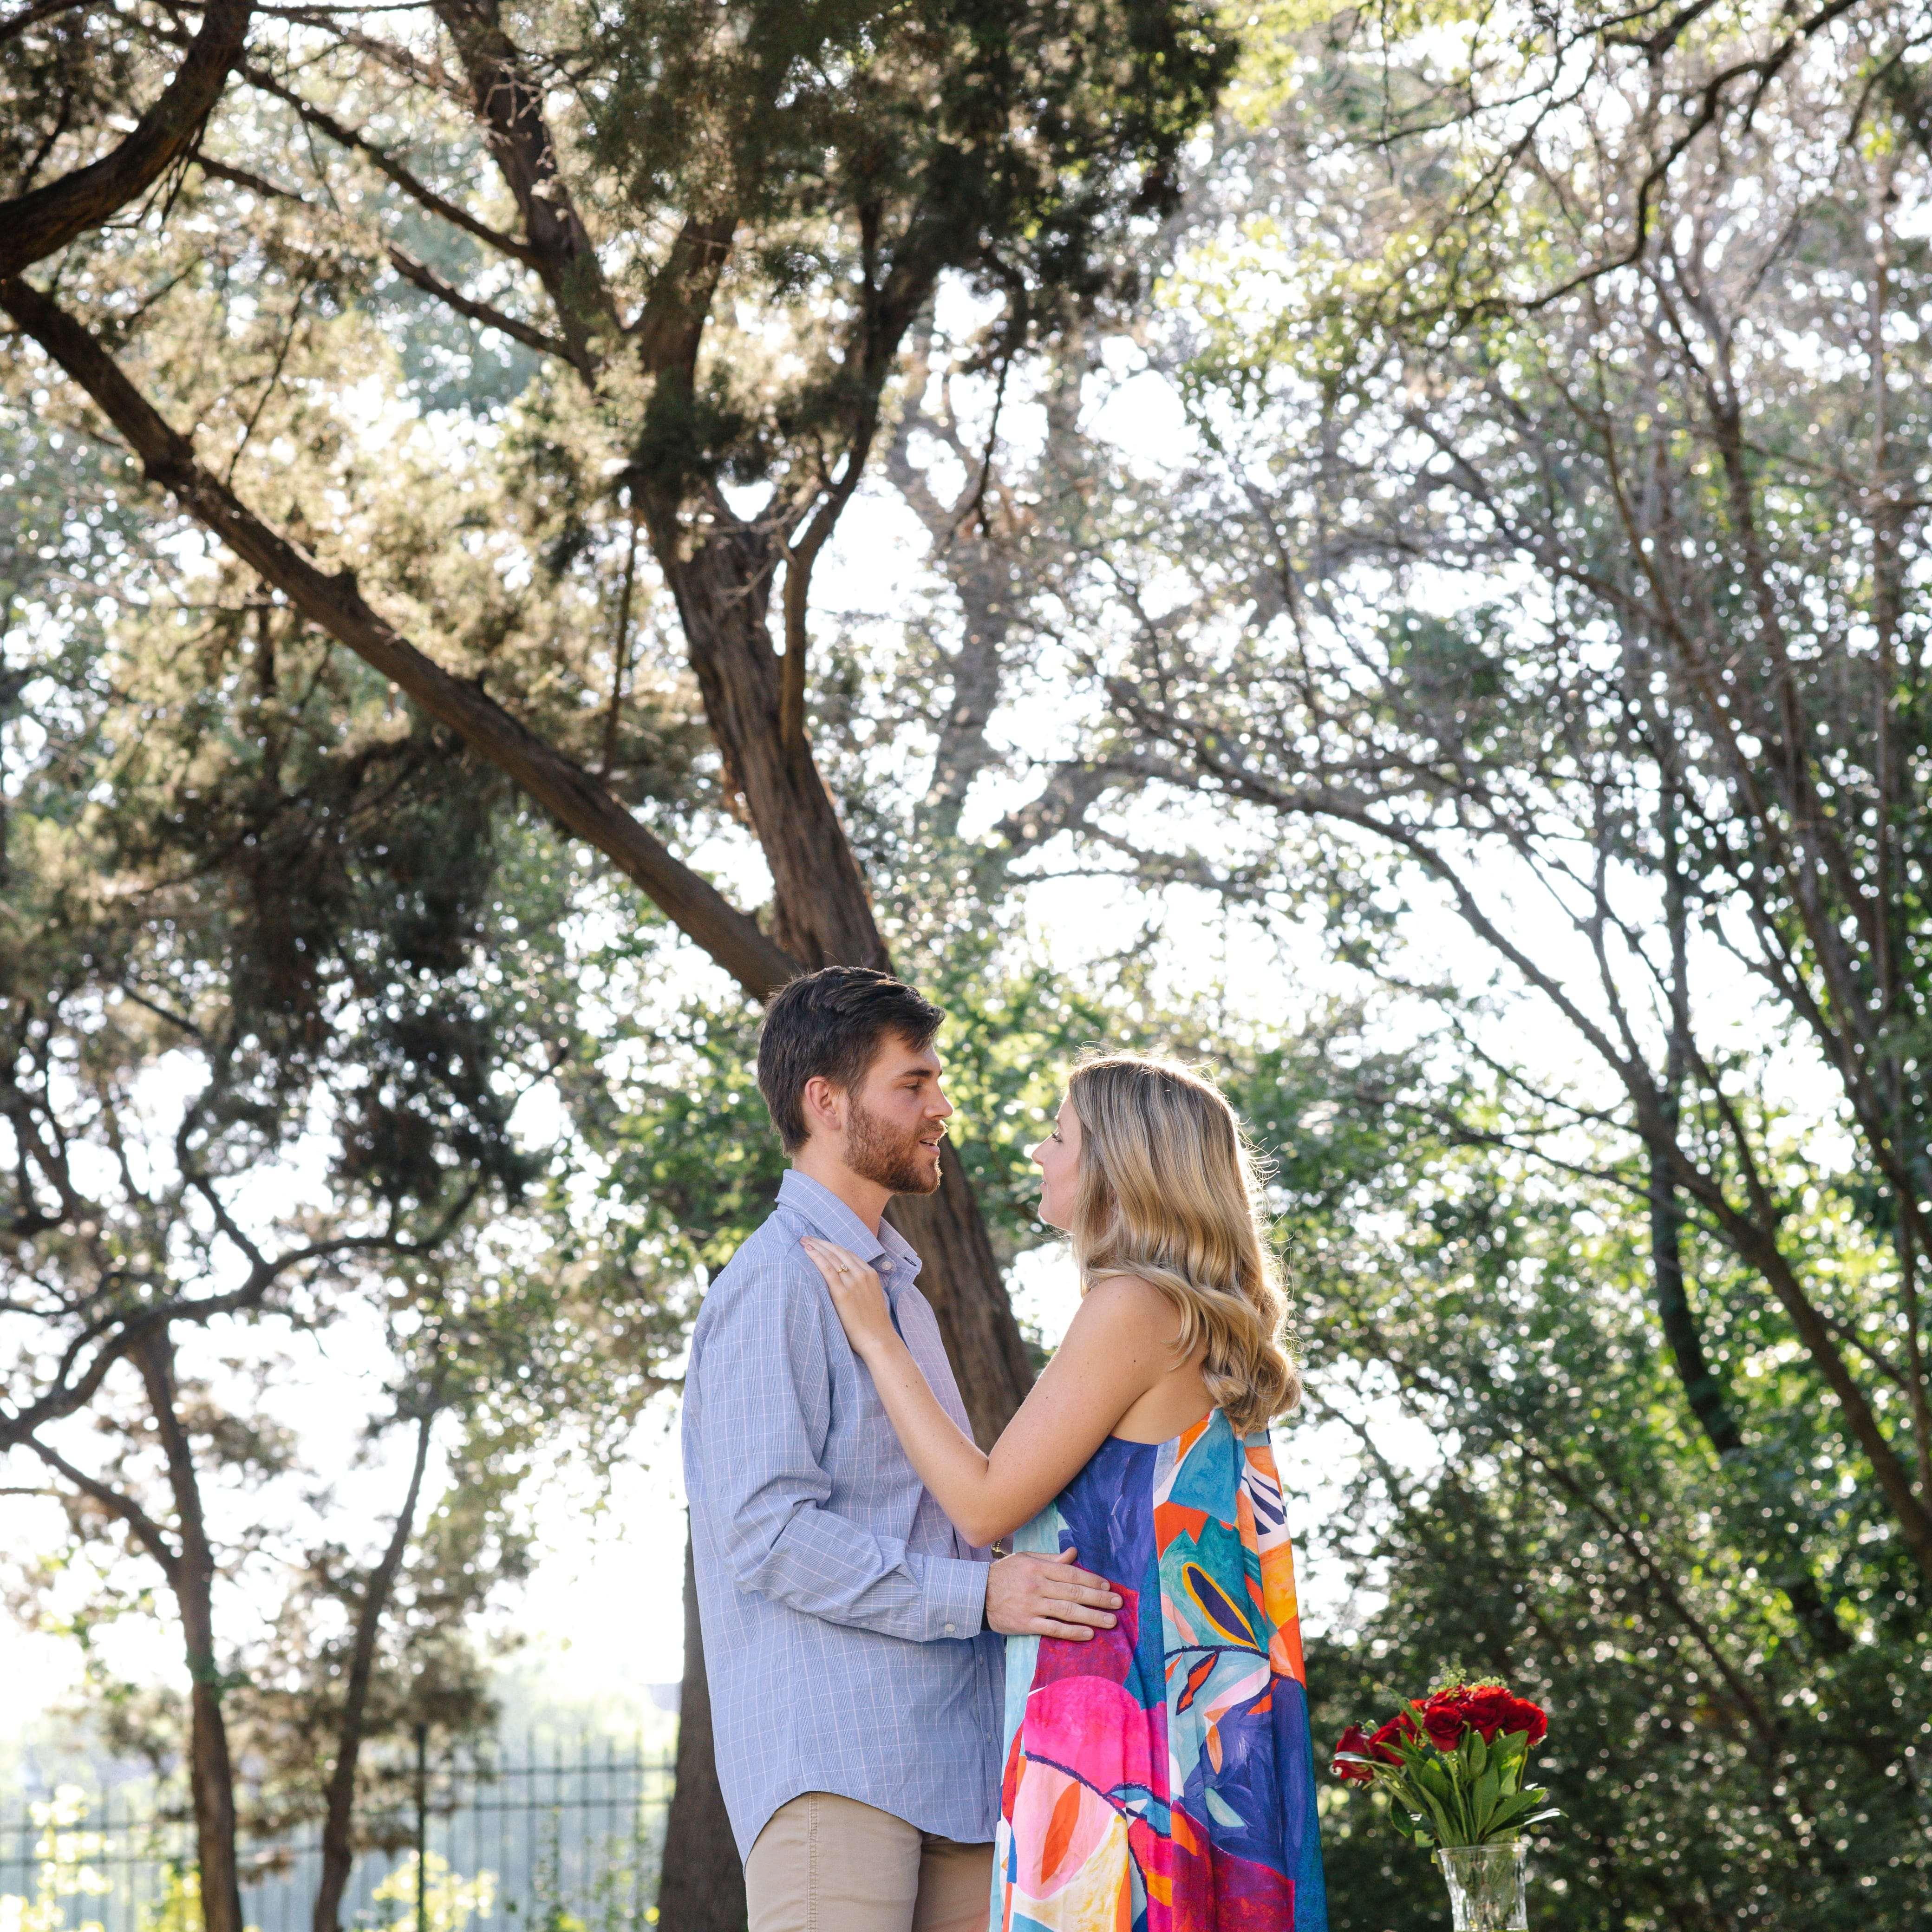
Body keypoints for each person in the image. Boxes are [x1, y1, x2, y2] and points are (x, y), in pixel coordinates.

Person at [804, 1052, 1329, 1931]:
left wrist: (879, 1338)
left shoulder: (1133, 1306)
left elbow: (984, 1506)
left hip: (1120, 1732)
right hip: (1177, 1729)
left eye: (1059, 1136)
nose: (1040, 1154)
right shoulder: (1192, 1317)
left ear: (1119, 1168)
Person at [682, 967, 1127, 1932]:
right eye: (913, 1083)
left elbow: (933, 1517)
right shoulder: (776, 1283)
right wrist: (981, 1595)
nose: (941, 1108)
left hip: (957, 1768)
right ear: (827, 1102)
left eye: (937, 1082)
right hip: (837, 1767)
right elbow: (766, 1534)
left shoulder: (900, 1300)